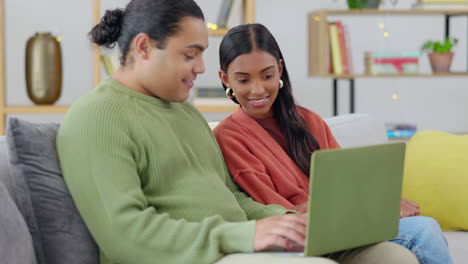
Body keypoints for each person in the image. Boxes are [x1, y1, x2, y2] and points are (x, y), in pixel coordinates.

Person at [56, 1, 419, 263]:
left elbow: (234, 199)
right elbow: (125, 236)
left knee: (394, 257)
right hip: (196, 255)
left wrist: (287, 221)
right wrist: (244, 235)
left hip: (240, 243)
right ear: (144, 47)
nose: (201, 68)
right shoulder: (96, 116)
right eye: (190, 55)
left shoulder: (185, 113)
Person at [213, 23, 453, 264]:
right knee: (423, 230)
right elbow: (276, 212)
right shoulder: (229, 136)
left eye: (267, 76)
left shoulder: (308, 119)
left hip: (349, 222)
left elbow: (347, 184)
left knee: (424, 225)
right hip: (308, 235)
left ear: (280, 70)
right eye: (243, 80)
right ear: (225, 79)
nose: (258, 89)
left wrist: (382, 205)